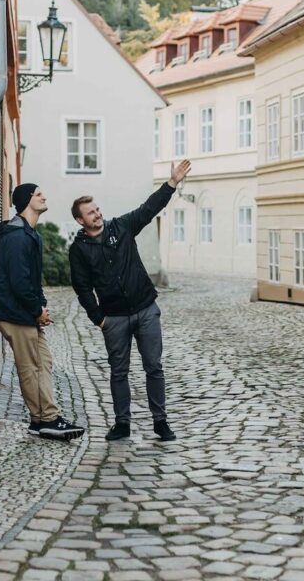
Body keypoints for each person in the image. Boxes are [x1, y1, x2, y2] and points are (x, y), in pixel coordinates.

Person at [69, 160, 191, 442]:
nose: (97, 214)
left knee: (154, 367)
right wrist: (99, 319)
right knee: (119, 372)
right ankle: (122, 423)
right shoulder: (79, 250)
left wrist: (172, 183)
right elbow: (82, 287)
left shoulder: (121, 227)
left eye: (97, 209)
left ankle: (160, 422)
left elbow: (149, 209)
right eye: (91, 213)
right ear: (80, 220)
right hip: (113, 318)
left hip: (145, 309)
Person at [0, 183, 86, 441]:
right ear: (27, 201)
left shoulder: (29, 234)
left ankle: (40, 421)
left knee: (42, 363)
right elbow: (19, 282)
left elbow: (33, 280)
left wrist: (41, 306)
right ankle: (48, 420)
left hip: (25, 314)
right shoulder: (17, 238)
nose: (44, 196)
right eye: (38, 194)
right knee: (31, 368)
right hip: (16, 315)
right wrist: (37, 310)